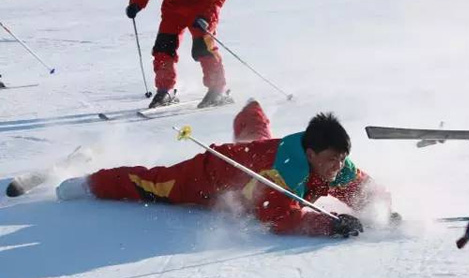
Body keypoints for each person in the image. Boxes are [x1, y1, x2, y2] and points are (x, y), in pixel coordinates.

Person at [56, 101, 393, 238]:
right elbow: (279, 217)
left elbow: (360, 187)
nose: (337, 167)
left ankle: (251, 109)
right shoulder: (281, 174)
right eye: (331, 160)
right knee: (152, 184)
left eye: (341, 159)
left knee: (256, 140)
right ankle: (89, 184)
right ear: (310, 152)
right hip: (212, 173)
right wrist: (328, 226)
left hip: (253, 157)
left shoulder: (335, 161)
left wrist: (383, 210)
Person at [125, 0, 229, 109]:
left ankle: (218, 89)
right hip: (174, 10)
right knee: (163, 48)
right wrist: (136, 4)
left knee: (203, 47)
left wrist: (206, 18)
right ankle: (165, 90)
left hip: (201, 10)